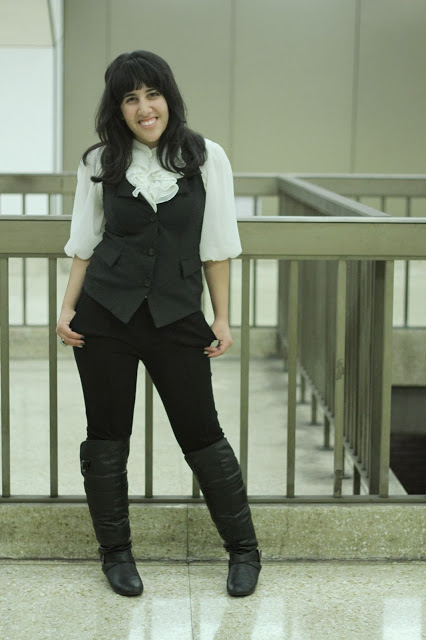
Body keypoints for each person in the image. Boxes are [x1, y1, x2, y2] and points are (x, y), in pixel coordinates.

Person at [56, 50, 261, 598]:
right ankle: (116, 554)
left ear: (168, 97)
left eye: (152, 94)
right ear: (117, 108)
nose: (144, 108)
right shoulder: (100, 161)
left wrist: (222, 317)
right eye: (130, 98)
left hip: (176, 317)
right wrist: (67, 308)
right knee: (106, 436)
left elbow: (217, 246)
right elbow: (84, 241)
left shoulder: (205, 156)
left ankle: (245, 551)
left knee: (202, 433)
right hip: (106, 316)